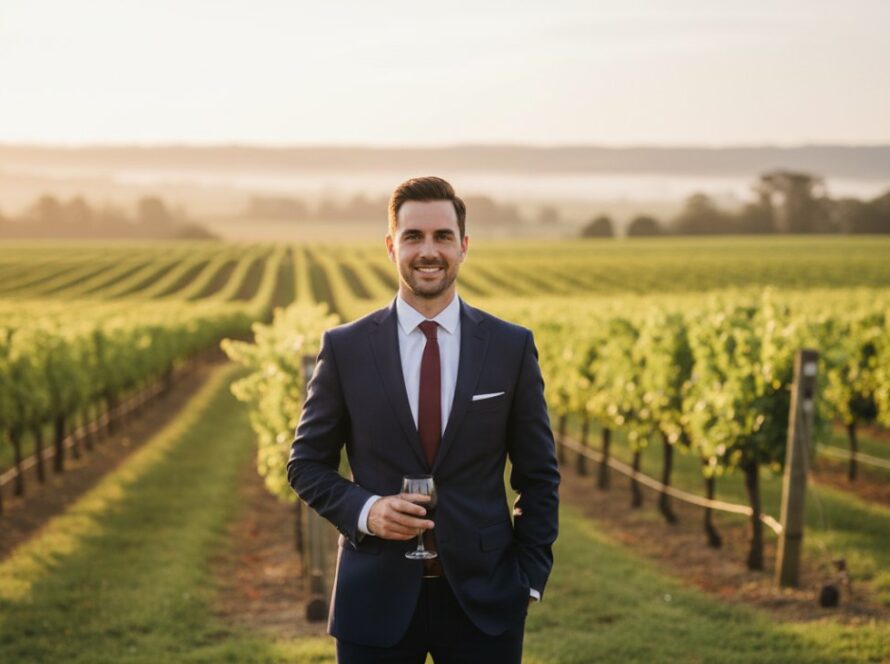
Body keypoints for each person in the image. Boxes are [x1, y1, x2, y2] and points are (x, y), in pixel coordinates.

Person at [287, 176, 560, 663]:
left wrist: (529, 579)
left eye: (442, 236)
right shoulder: (345, 348)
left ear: (463, 246)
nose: (427, 250)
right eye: (413, 237)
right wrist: (367, 510)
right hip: (373, 599)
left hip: (486, 600)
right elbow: (305, 464)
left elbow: (539, 475)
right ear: (392, 247)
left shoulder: (510, 347)